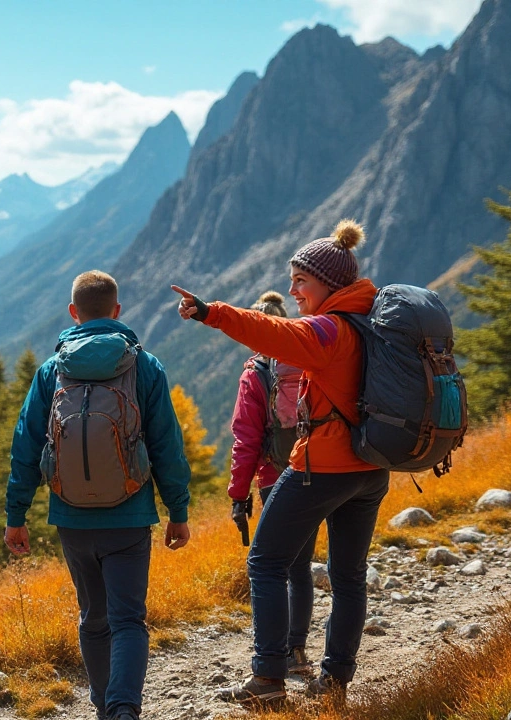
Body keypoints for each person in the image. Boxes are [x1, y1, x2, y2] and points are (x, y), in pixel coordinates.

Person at [172, 220, 389, 703]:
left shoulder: (327, 330)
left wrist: (212, 312)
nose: (292, 291)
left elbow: (268, 332)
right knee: (348, 575)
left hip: (325, 467)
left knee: (266, 562)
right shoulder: (367, 320)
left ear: (328, 285)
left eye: (300, 281)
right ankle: (333, 682)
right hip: (371, 467)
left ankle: (268, 678)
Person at [6, 270, 192, 720]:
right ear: (117, 312)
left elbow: (27, 445)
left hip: (72, 518)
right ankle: (123, 709)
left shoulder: (53, 370)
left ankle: (103, 709)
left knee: (93, 618)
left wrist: (16, 516)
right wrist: (178, 511)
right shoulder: (143, 366)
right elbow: (167, 445)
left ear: (73, 313)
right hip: (129, 517)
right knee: (128, 620)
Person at [227, 291, 313, 676]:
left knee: (271, 566)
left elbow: (245, 441)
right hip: (318, 468)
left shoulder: (255, 374)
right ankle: (297, 652)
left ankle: (272, 659)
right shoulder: (306, 359)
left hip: (274, 478)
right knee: (301, 568)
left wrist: (238, 495)